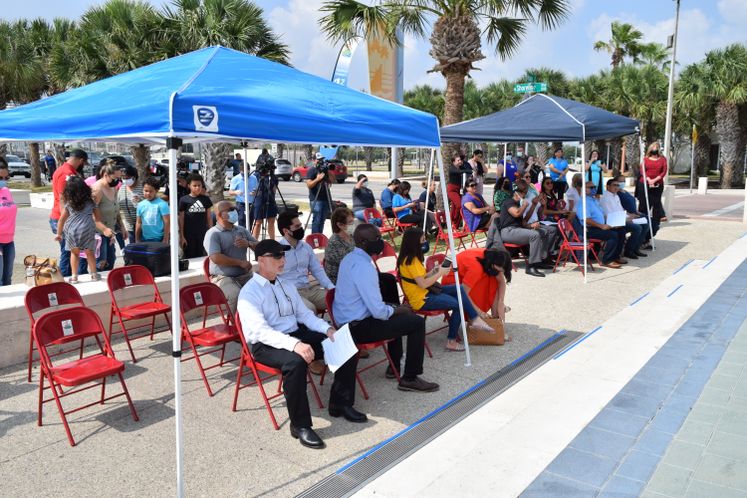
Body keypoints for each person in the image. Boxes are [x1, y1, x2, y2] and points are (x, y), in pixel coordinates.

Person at [237, 239, 363, 449]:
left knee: (344, 344)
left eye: (283, 255)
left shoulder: (285, 283)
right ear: (261, 260)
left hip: (294, 334)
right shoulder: (249, 293)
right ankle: (300, 425)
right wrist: (294, 345)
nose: (282, 260)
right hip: (265, 344)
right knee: (295, 363)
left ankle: (340, 402)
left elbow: (304, 315)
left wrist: (327, 329)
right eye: (277, 256)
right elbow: (260, 331)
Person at [334, 224, 440, 392]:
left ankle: (395, 365)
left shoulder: (350, 258)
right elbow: (379, 312)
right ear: (362, 242)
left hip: (353, 318)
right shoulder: (364, 267)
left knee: (396, 312)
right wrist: (398, 309)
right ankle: (409, 378)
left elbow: (375, 307)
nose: (381, 242)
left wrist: (394, 309)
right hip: (356, 327)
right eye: (377, 239)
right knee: (415, 322)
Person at [397, 228, 493, 351]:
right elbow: (423, 284)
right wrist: (439, 274)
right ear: (414, 243)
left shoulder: (411, 258)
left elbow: (420, 278)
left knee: (459, 289)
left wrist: (434, 271)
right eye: (423, 240)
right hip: (422, 299)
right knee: (458, 305)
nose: (425, 242)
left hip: (426, 292)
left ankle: (475, 318)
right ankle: (451, 341)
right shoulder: (411, 261)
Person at [441, 248, 512, 333]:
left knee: (494, 282)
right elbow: (464, 293)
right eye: (498, 270)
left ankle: (497, 321)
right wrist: (479, 312)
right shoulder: (476, 268)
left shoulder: (492, 257)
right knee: (488, 283)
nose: (499, 273)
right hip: (452, 280)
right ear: (492, 263)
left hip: (465, 275)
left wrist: (501, 302)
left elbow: (501, 282)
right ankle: (479, 319)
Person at [204, 200, 258, 312]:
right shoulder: (213, 234)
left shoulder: (241, 230)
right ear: (219, 215)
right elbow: (216, 257)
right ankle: (238, 326)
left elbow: (261, 247)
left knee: (263, 291)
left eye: (235, 209)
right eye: (231, 210)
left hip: (245, 275)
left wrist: (249, 243)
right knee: (237, 296)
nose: (235, 212)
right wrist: (240, 263)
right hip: (222, 278)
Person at [276, 211, 334, 313]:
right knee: (309, 309)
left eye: (300, 225)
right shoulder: (277, 250)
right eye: (297, 226)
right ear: (286, 230)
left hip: (309, 290)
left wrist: (331, 287)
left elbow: (317, 269)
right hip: (290, 293)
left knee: (338, 299)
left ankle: (344, 328)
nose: (301, 229)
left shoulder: (306, 247)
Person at [55, 176, 107, 283]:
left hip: (72, 230)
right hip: (87, 228)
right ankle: (94, 275)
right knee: (89, 252)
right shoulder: (90, 202)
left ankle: (74, 277)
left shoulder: (69, 204)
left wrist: (59, 234)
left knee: (74, 253)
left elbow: (61, 220)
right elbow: (98, 217)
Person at [498, 180, 555, 277]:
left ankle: (540, 259)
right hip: (508, 231)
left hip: (517, 229)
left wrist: (531, 225)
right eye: (523, 191)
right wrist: (524, 205)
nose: (525, 194)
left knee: (544, 232)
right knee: (534, 235)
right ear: (516, 192)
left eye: (526, 191)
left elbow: (524, 222)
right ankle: (531, 266)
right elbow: (516, 213)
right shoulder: (509, 202)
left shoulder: (519, 204)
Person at [50, 148, 89, 277]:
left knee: (73, 251)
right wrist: (67, 221)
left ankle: (72, 277)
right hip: (63, 217)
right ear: (81, 160)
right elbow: (63, 198)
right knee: (68, 252)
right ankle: (65, 280)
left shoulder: (67, 171)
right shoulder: (66, 173)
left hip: (67, 217)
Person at [576, 180, 626, 269]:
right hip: (589, 229)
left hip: (599, 226)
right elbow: (586, 219)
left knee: (621, 230)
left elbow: (603, 215)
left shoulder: (594, 200)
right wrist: (602, 226)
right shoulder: (583, 202)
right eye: (591, 187)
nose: (593, 189)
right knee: (612, 235)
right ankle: (607, 260)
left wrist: (614, 223)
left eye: (594, 187)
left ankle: (615, 256)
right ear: (584, 189)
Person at [600, 179, 648, 260]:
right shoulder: (605, 198)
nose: (617, 187)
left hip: (621, 218)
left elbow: (621, 210)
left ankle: (635, 249)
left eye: (618, 185)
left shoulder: (616, 196)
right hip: (614, 222)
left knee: (645, 224)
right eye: (614, 185)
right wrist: (627, 219)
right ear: (608, 186)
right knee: (637, 228)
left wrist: (630, 215)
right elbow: (609, 215)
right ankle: (628, 251)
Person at [91, 161, 125, 271]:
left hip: (110, 231)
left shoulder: (113, 188)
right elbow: (91, 214)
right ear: (105, 175)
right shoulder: (97, 189)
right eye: (114, 178)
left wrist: (122, 227)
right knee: (101, 262)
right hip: (98, 232)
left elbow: (116, 209)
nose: (116, 182)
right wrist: (104, 229)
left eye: (118, 179)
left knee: (111, 259)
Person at [614, 173, 655, 249]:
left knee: (653, 223)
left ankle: (643, 240)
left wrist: (637, 211)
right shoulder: (617, 194)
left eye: (624, 181)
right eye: (620, 181)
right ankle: (636, 245)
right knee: (645, 225)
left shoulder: (625, 191)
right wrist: (630, 214)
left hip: (635, 213)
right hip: (629, 215)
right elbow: (619, 208)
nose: (622, 183)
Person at [178, 173, 213, 258]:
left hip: (203, 234)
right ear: (189, 186)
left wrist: (212, 233)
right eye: (195, 185)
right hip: (188, 235)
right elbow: (181, 218)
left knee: (202, 257)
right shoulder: (184, 200)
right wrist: (182, 236)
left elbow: (209, 218)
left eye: (199, 185)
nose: (197, 187)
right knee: (190, 257)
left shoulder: (206, 199)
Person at [637, 142, 667, 225]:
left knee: (656, 203)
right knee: (644, 203)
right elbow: (642, 170)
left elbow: (664, 171)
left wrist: (655, 180)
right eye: (653, 147)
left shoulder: (662, 159)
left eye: (657, 147)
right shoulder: (645, 159)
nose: (655, 149)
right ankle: (643, 221)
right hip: (644, 183)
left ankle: (655, 223)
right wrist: (648, 179)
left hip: (658, 184)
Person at [323, 207, 355, 285]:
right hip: (340, 281)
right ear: (340, 225)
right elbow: (348, 266)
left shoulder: (351, 236)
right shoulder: (334, 243)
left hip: (353, 276)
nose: (353, 224)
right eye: (350, 222)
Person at [249, 159, 279, 239]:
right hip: (259, 201)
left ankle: (272, 241)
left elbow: (274, 190)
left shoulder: (273, 177)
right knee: (258, 222)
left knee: (271, 221)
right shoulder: (256, 175)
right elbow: (252, 190)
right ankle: (254, 242)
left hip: (270, 201)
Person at [305, 153, 334, 234]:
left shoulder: (325, 170)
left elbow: (332, 181)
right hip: (316, 199)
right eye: (319, 159)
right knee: (316, 220)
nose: (320, 161)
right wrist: (317, 179)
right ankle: (314, 238)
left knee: (322, 220)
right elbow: (309, 185)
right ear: (314, 161)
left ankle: (319, 237)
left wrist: (328, 170)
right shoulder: (311, 170)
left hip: (325, 198)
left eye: (322, 159)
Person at [135, 177, 170, 243]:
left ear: (156, 191)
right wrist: (137, 238)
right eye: (146, 191)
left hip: (158, 238)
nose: (148, 193)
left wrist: (165, 239)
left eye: (151, 191)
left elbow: (167, 222)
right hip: (144, 238)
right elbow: (138, 222)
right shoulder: (140, 205)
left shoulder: (162, 204)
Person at [0, 158, 17, 285]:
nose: (4, 182)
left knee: (7, 279)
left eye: (6, 178)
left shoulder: (6, 191)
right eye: (1, 178)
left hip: (9, 241)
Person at [117, 165, 143, 245]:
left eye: (127, 177)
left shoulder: (142, 187)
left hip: (143, 226)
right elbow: (118, 204)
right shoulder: (122, 188)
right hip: (130, 226)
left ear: (134, 177)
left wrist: (141, 201)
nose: (125, 180)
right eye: (123, 178)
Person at [447, 154, 471, 227]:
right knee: (459, 205)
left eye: (460, 160)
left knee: (456, 207)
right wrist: (470, 171)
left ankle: (454, 225)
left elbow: (467, 169)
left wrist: (470, 170)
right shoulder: (452, 168)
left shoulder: (460, 167)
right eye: (458, 160)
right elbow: (462, 171)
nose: (460, 161)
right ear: (454, 162)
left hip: (458, 189)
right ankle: (453, 222)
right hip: (452, 190)